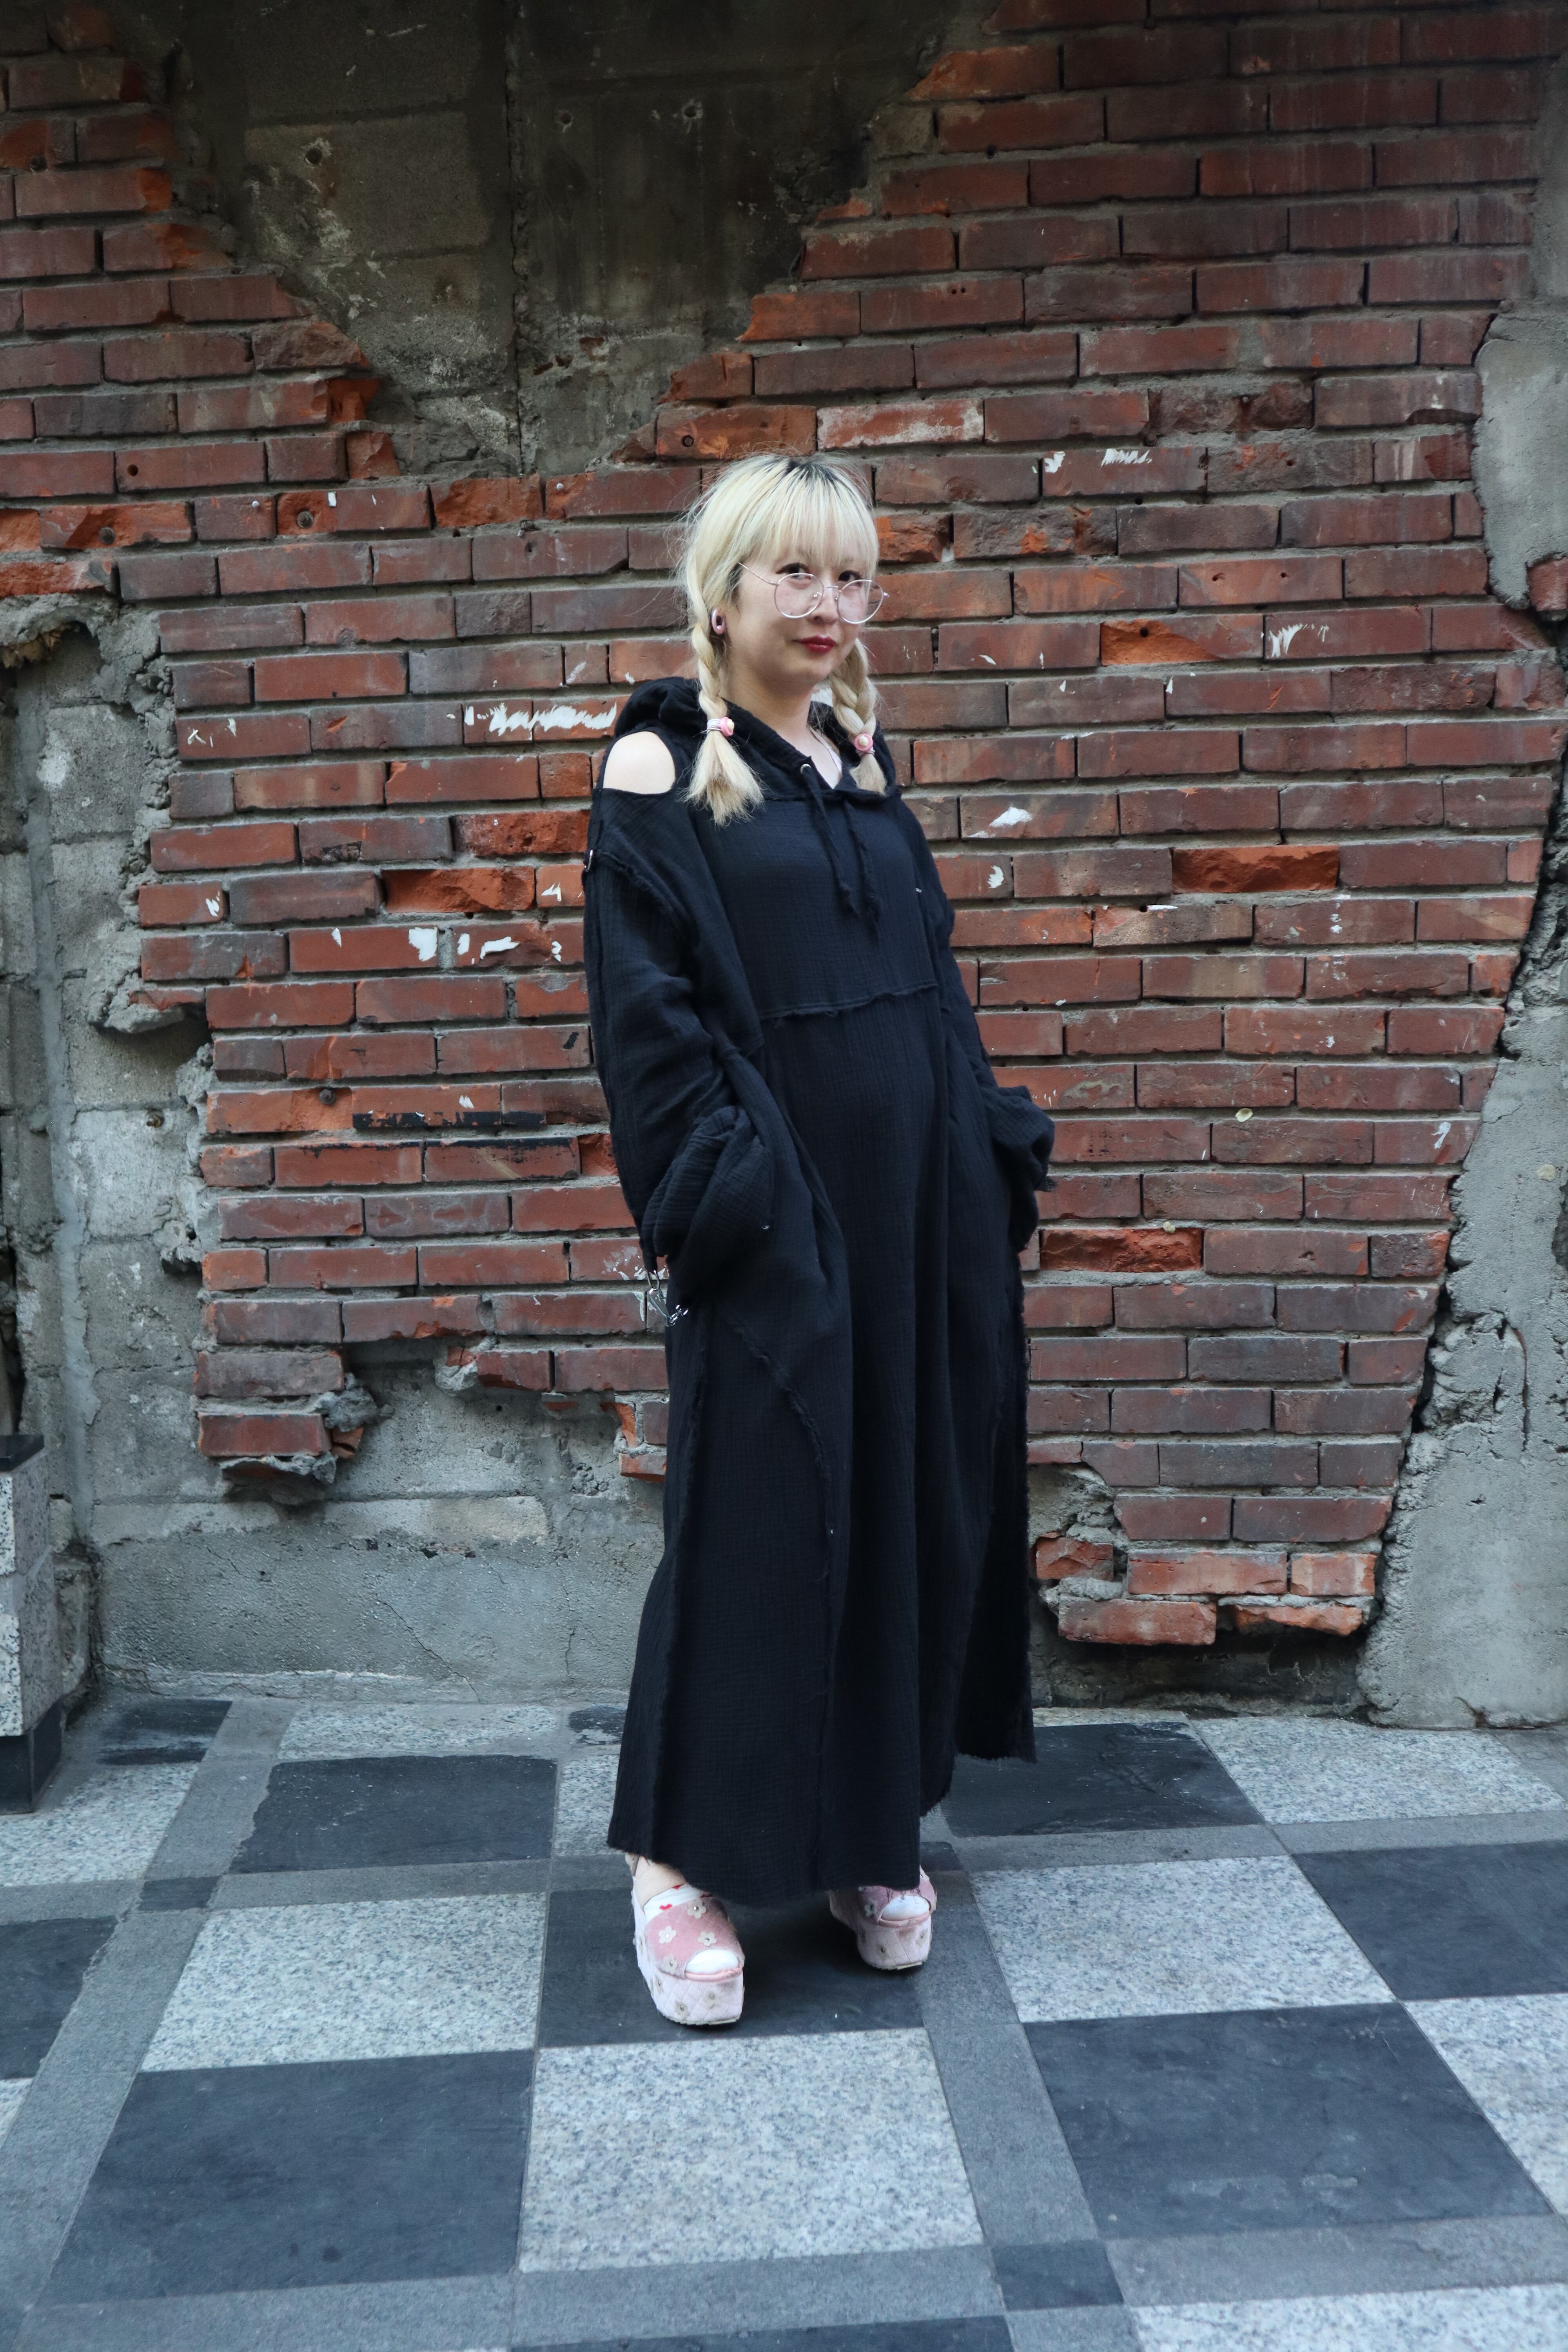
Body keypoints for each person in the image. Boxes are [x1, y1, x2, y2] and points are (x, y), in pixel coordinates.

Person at [583, 452, 1054, 2027]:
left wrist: (978, 1143)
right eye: (795, 571)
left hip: (917, 1205)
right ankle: (674, 1865)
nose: (829, 603)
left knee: (906, 1503)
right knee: (755, 1520)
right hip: (778, 1210)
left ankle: (865, 1831)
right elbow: (648, 1023)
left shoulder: (857, 754)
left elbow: (929, 978)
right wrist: (738, 1197)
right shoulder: (659, 765)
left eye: (852, 575)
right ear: (721, 591)